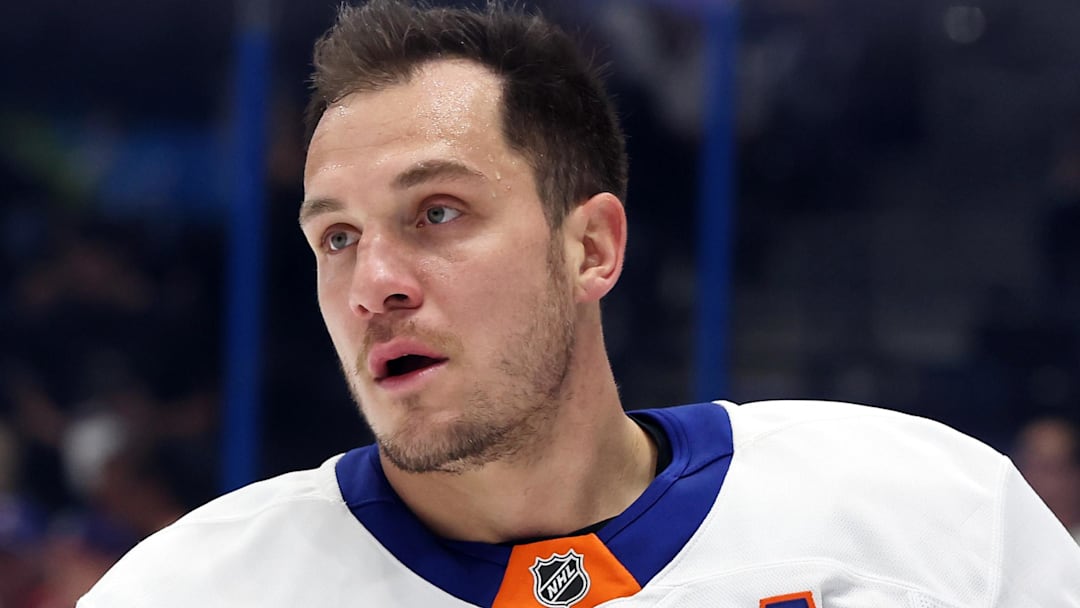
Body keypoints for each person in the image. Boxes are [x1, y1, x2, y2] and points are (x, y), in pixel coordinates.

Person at [79, 1, 1080, 606]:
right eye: (336, 235)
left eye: (437, 210)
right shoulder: (190, 589)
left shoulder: (930, 514)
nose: (372, 281)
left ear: (591, 245)